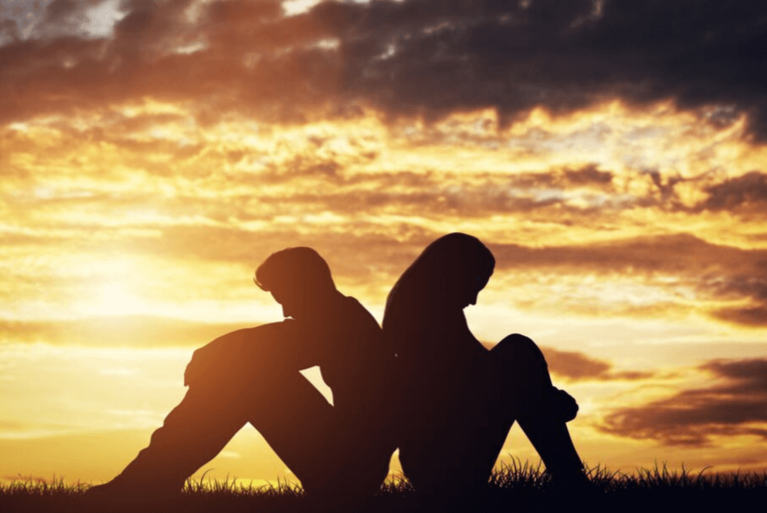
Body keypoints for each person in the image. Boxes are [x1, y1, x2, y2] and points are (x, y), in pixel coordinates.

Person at [87, 247, 396, 502]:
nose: (285, 310)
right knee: (243, 375)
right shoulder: (341, 317)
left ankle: (145, 483)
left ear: (306, 285)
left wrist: (211, 356)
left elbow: (267, 345)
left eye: (286, 297)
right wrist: (218, 356)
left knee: (246, 379)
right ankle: (148, 480)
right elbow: (270, 342)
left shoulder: (341, 322)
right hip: (349, 465)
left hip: (350, 472)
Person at [383, 233, 588, 497]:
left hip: (435, 458)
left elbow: (484, 367)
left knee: (518, 354)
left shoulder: (425, 302)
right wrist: (549, 402)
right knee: (519, 349)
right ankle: (569, 477)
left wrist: (545, 398)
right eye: (475, 286)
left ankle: (569, 475)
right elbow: (478, 374)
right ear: (456, 273)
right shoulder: (425, 311)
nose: (474, 301)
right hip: (442, 462)